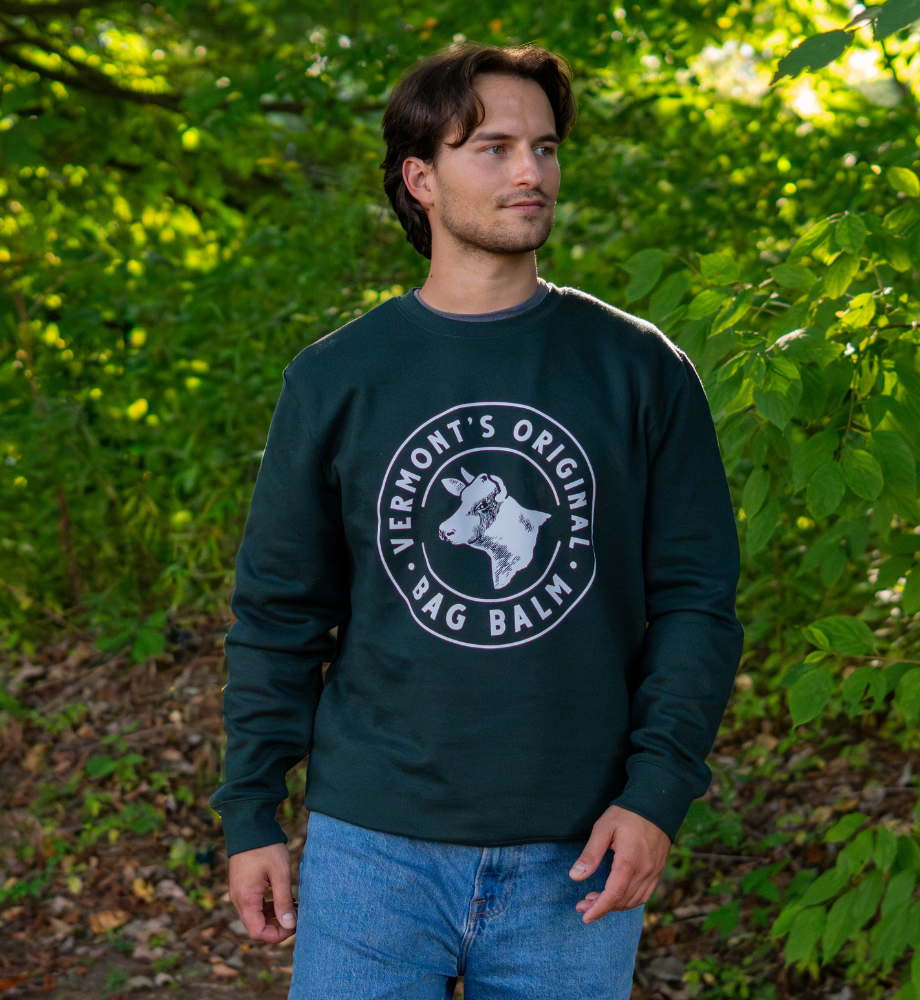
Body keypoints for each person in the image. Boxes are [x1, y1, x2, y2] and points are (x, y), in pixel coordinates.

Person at [209, 42, 743, 1000]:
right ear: (421, 178)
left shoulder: (639, 369)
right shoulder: (338, 379)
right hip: (373, 849)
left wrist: (656, 796)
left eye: (543, 146)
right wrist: (251, 812)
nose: (530, 170)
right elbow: (280, 613)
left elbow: (698, 603)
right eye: (492, 147)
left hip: (577, 855)